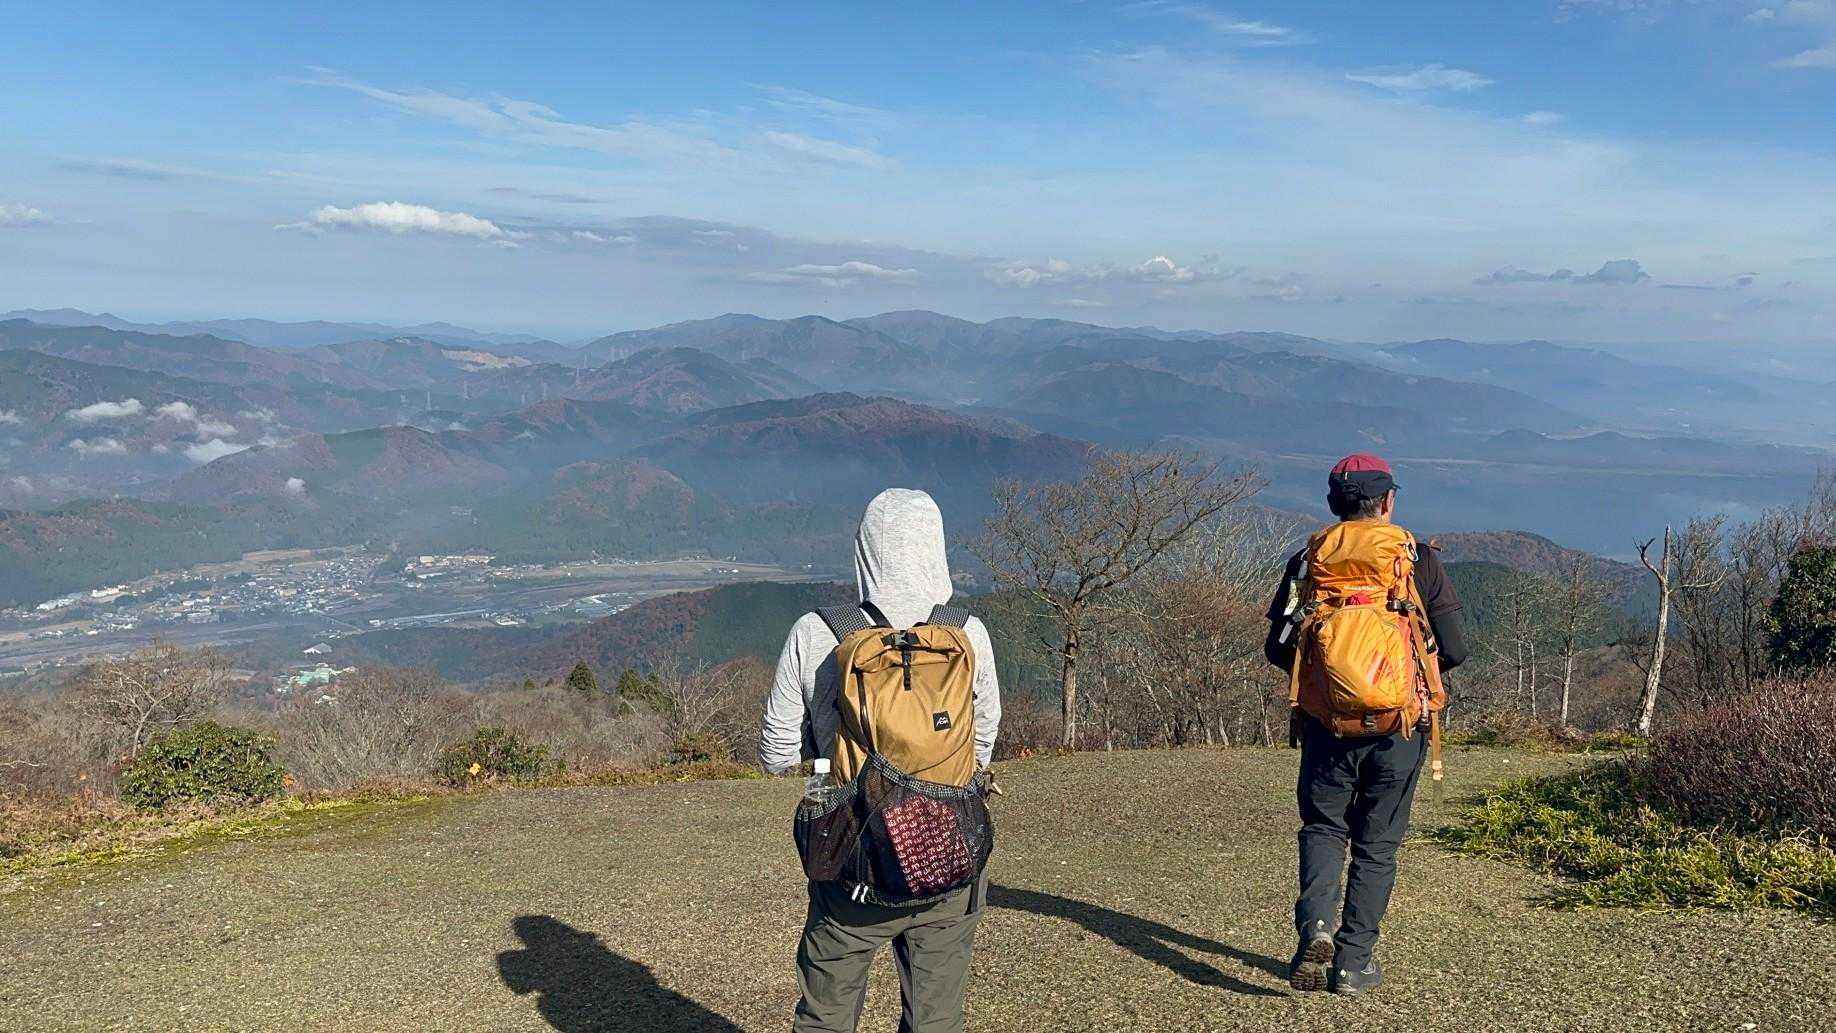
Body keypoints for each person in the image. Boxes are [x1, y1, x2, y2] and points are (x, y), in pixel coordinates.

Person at [760, 488, 1002, 1033]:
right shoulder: (967, 634)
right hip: (947, 857)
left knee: (826, 1016)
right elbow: (982, 743)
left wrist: (825, 754)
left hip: (852, 865)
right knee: (936, 1019)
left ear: (864, 550)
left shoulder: (817, 632)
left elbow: (775, 754)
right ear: (937, 548)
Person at [1262, 453, 1467, 996]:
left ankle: (1316, 926)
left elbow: (1277, 647)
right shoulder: (1416, 559)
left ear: (1333, 503)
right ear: (1388, 501)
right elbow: (1455, 649)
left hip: (1327, 726)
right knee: (1378, 844)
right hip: (1399, 728)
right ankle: (1354, 963)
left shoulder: (1307, 561)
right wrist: (1399, 679)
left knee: (1324, 828)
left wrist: (1332, 682)